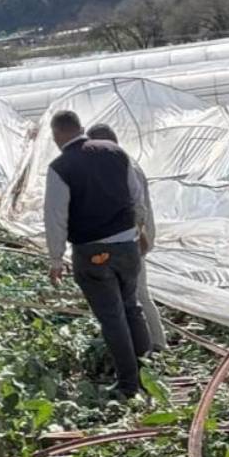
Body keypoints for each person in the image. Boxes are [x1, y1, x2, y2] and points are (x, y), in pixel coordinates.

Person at [44, 111, 152, 399]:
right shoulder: (116, 152)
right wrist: (136, 229)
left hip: (92, 251)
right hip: (127, 245)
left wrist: (56, 259)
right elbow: (136, 196)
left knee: (112, 317)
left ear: (56, 137)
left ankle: (129, 384)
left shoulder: (60, 167)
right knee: (131, 306)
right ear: (80, 128)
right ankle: (150, 370)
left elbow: (55, 216)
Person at [86, 123, 166, 351]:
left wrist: (137, 237)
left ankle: (156, 345)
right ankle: (147, 342)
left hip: (132, 239)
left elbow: (136, 209)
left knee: (137, 293)